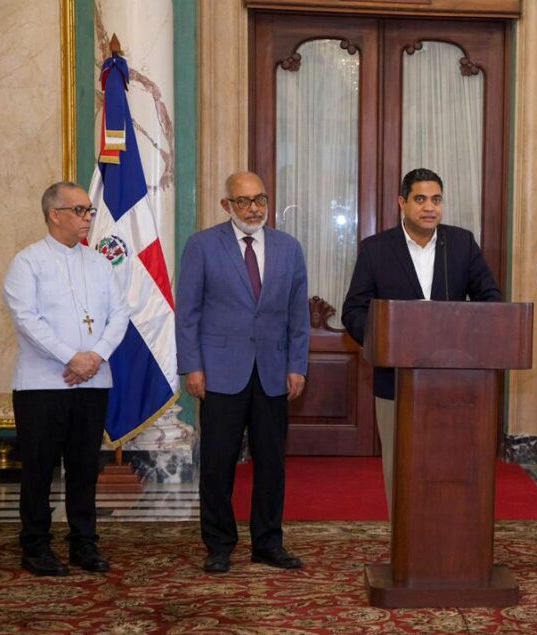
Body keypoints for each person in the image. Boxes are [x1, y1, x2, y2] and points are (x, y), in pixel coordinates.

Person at [341, 168, 502, 515]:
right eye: (420, 199)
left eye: (436, 199)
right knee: (400, 465)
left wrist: (466, 334)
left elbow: (491, 299)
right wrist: (384, 339)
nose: (430, 207)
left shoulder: (461, 244)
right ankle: (402, 537)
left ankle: (446, 532)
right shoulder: (376, 249)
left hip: (454, 381)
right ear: (402, 203)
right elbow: (353, 310)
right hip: (395, 381)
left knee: (448, 465)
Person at [176, 171, 310, 574]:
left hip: (273, 371)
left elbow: (298, 315)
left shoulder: (288, 248)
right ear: (227, 205)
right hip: (219, 372)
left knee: (271, 464)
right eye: (244, 201)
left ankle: (268, 543)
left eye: (260, 199)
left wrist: (297, 366)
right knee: (217, 464)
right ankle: (218, 545)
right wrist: (192, 366)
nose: (254, 209)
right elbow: (188, 314)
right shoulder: (202, 245)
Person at [2, 181, 130, 576]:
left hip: (93, 381)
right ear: (54, 214)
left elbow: (120, 314)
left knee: (84, 467)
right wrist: (71, 358)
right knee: (39, 468)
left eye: (89, 210)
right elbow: (27, 320)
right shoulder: (27, 262)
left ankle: (83, 543)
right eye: (79, 210)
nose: (88, 217)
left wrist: (95, 357)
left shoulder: (100, 263)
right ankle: (35, 546)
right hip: (42, 385)